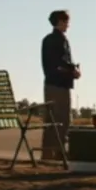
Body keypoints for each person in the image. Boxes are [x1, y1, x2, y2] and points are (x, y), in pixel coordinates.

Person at [40, 9, 80, 161]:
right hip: (59, 85)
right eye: (66, 21)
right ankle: (58, 153)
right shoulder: (58, 40)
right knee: (62, 120)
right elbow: (59, 63)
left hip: (51, 84)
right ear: (60, 22)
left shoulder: (48, 39)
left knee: (52, 120)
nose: (68, 25)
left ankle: (48, 154)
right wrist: (73, 70)